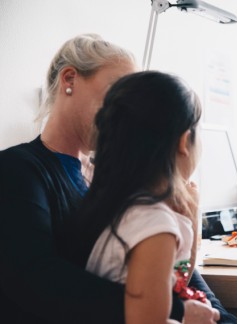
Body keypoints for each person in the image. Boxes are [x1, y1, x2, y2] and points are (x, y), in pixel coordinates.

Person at [0, 34, 236, 324]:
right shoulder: (18, 171)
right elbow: (37, 280)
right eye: (116, 94)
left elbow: (160, 264)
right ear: (69, 79)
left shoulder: (116, 178)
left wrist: (221, 317)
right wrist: (175, 310)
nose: (126, 112)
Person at [62, 70, 216, 324]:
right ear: (183, 141)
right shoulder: (154, 225)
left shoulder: (116, 206)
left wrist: (189, 212)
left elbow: (171, 287)